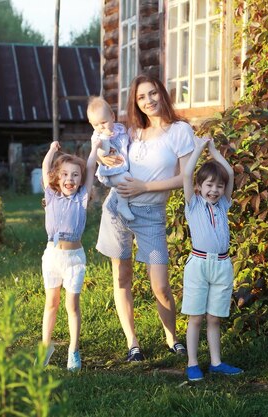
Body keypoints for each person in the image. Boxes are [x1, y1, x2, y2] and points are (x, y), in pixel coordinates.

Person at [96, 73, 193, 362]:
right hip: (117, 210)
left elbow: (185, 177)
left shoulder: (179, 131)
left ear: (162, 93)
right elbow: (103, 143)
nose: (148, 100)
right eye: (141, 97)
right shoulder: (131, 132)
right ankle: (133, 343)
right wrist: (102, 157)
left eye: (152, 93)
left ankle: (172, 338)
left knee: (160, 285)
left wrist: (145, 186)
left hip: (151, 214)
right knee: (122, 276)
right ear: (135, 102)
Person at [181, 136, 243, 382]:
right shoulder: (194, 204)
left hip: (221, 265)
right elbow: (187, 174)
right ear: (199, 186)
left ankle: (216, 362)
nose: (214, 190)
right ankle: (193, 362)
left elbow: (229, 173)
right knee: (196, 317)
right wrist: (198, 149)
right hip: (198, 265)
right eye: (209, 185)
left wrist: (214, 150)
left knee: (214, 317)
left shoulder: (223, 205)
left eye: (219, 186)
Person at [41, 139, 99, 371]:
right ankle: (45, 347)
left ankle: (73, 350)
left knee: (72, 305)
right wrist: (51, 150)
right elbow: (46, 168)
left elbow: (92, 168)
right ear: (57, 178)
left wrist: (94, 149)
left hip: (74, 259)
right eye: (65, 174)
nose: (70, 179)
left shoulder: (82, 198)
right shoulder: (52, 196)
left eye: (75, 175)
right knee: (51, 303)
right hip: (52, 257)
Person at [87, 96, 135, 221]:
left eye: (103, 122)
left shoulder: (120, 129)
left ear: (113, 117)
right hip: (110, 171)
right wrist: (105, 139)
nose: (101, 127)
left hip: (122, 167)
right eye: (96, 124)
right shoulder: (98, 137)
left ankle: (124, 202)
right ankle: (122, 206)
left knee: (126, 178)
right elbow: (103, 153)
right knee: (126, 179)